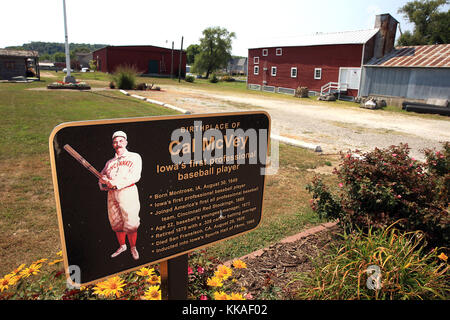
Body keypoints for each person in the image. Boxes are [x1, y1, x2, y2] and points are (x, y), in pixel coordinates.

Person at [98, 131, 142, 260]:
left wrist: (116, 184)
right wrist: (104, 182)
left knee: (131, 222)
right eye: (115, 142)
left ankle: (133, 247)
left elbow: (135, 176)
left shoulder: (134, 157)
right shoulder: (109, 162)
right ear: (113, 145)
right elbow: (101, 178)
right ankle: (123, 246)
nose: (118, 144)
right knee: (116, 222)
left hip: (127, 192)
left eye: (121, 141)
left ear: (126, 142)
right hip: (112, 194)